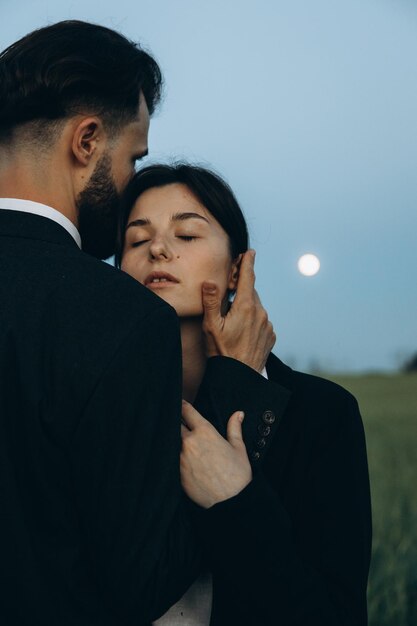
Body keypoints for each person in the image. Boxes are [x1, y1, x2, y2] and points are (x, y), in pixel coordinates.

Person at [0, 21, 281, 626]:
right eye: (133, 157)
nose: (129, 184)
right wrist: (232, 381)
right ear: (87, 141)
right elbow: (142, 584)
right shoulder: (117, 316)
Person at [117, 163, 373, 626]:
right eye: (137, 241)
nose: (158, 249)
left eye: (187, 236)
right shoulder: (107, 406)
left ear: (237, 270)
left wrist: (237, 502)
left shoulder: (323, 414)